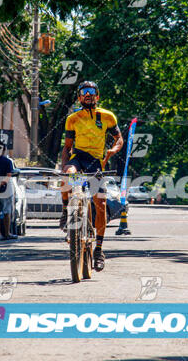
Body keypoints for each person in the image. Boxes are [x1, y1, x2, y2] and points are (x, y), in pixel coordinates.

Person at [59, 81, 123, 271]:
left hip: (96, 162)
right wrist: (64, 165)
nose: (88, 94)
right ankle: (65, 211)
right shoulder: (73, 118)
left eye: (92, 92)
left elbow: (119, 138)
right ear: (79, 97)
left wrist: (111, 151)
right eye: (84, 92)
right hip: (78, 158)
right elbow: (67, 146)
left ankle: (99, 249)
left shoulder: (107, 117)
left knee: (101, 204)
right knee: (69, 176)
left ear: (97, 96)